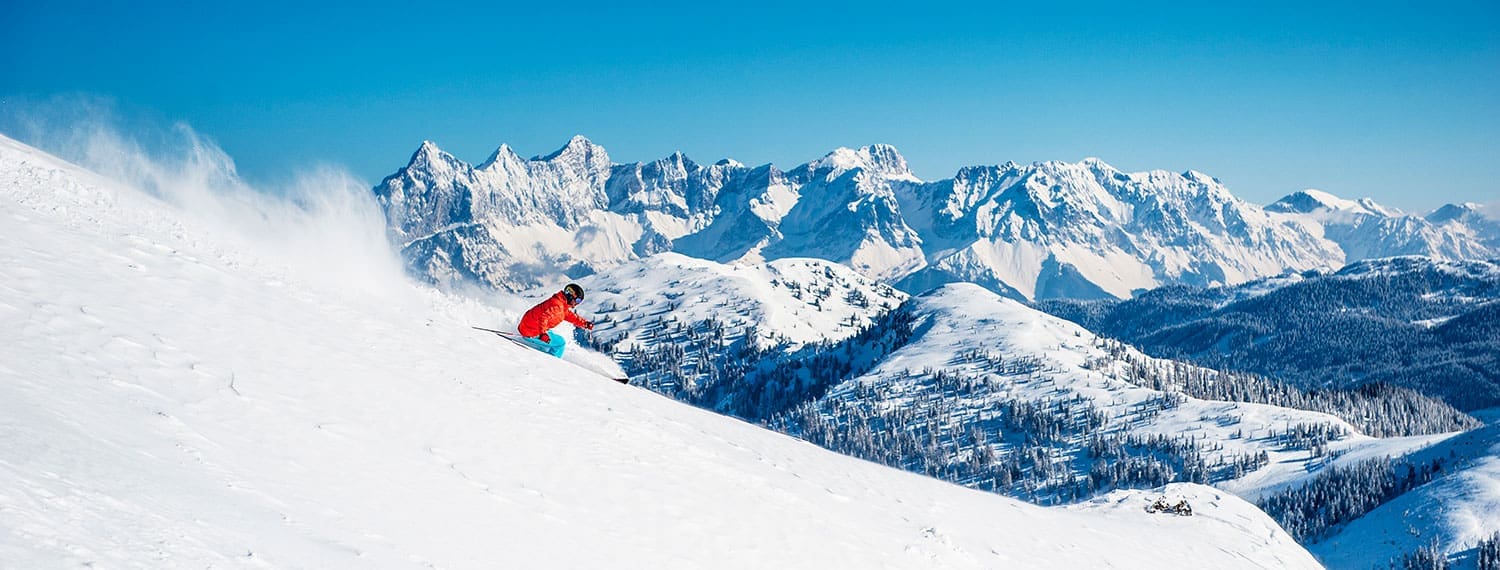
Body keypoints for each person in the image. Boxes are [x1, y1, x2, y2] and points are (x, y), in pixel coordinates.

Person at [516, 283, 593, 357]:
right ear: (571, 296)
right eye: (578, 300)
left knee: (551, 334)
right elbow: (543, 318)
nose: (577, 303)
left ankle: (544, 352)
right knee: (560, 343)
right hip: (531, 332)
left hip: (528, 327)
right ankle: (552, 362)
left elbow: (571, 316)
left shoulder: (561, 304)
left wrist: (585, 323)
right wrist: (542, 334)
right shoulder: (557, 306)